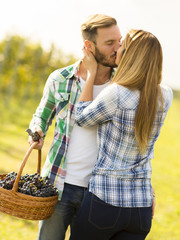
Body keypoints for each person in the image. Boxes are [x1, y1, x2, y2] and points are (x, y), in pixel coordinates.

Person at [70, 29, 173, 240]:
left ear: (130, 56)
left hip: (104, 203)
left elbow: (82, 117)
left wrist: (90, 75)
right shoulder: (165, 95)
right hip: (141, 207)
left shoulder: (117, 94)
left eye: (121, 46)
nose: (116, 49)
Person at [28, 14, 122, 240]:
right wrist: (36, 132)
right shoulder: (59, 79)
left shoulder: (122, 85)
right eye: (110, 43)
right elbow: (40, 117)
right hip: (58, 186)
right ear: (89, 47)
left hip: (99, 192)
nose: (118, 48)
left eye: (119, 41)